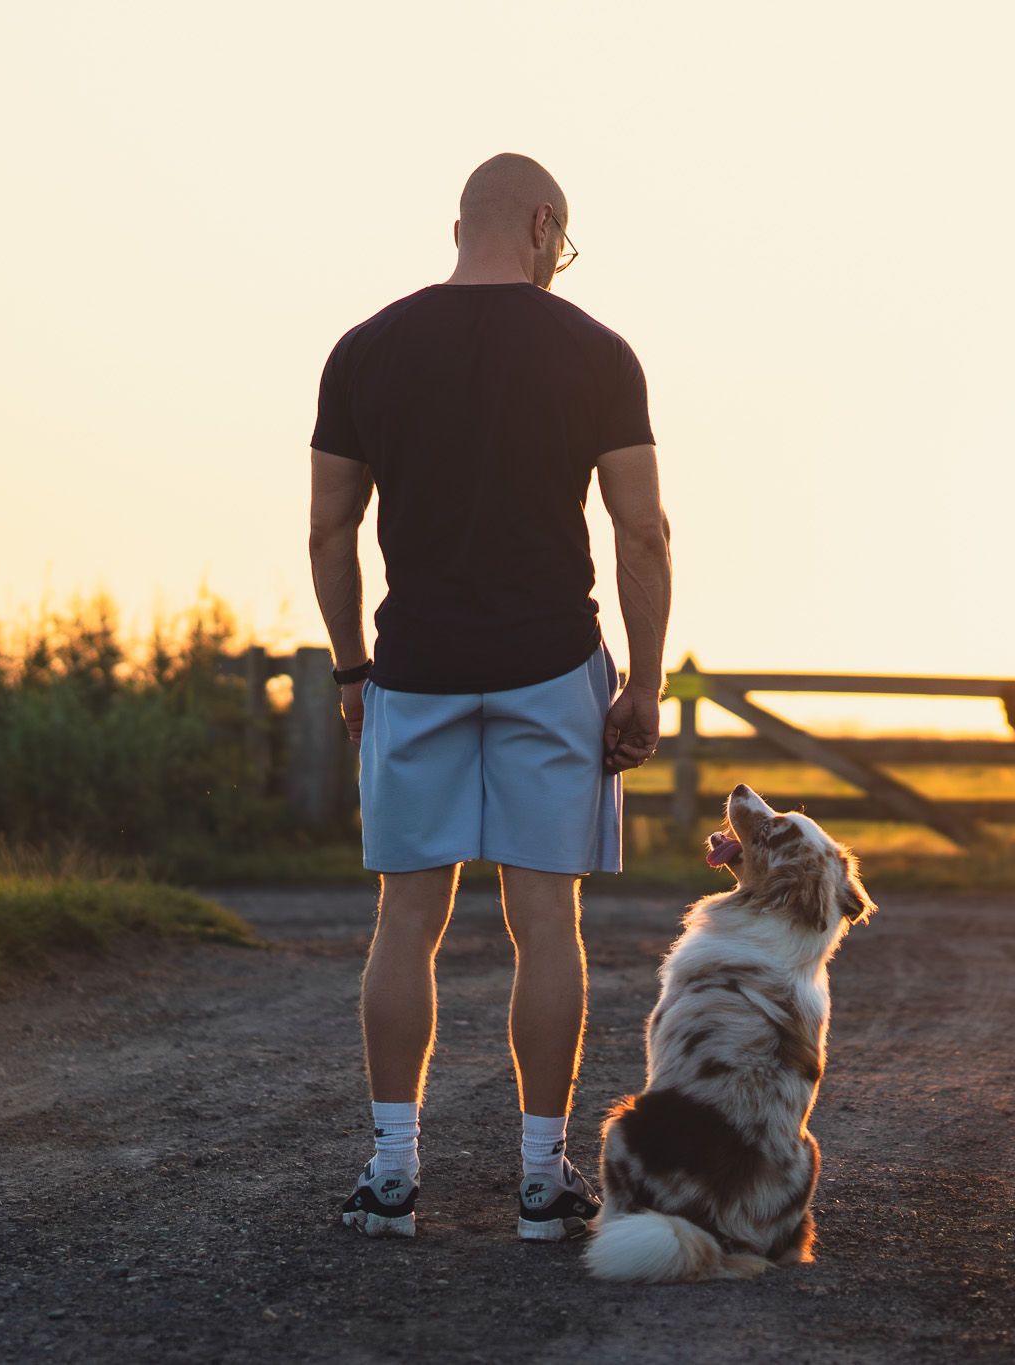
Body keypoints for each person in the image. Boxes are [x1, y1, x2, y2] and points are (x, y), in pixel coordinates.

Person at [307, 153, 672, 1241]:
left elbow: (330, 529)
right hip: (551, 666)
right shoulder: (597, 352)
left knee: (403, 921)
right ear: (542, 225)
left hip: (412, 667)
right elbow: (641, 530)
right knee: (542, 920)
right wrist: (644, 682)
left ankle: (387, 1177)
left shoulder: (363, 349)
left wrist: (349, 672)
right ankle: (538, 1181)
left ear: (457, 223)